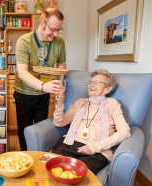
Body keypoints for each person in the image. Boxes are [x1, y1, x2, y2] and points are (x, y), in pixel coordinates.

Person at [52, 69, 131, 174]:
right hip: (69, 145)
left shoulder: (112, 104)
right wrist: (59, 103)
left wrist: (94, 147)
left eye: (97, 82)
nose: (91, 85)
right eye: (90, 82)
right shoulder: (80, 102)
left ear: (108, 89)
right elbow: (59, 122)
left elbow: (125, 132)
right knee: (53, 169)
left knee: (76, 175)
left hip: (97, 152)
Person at [14, 8, 66, 151]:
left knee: (40, 129)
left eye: (59, 30)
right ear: (42, 23)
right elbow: (22, 72)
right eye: (53, 29)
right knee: (24, 129)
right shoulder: (24, 41)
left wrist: (57, 80)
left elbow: (62, 66)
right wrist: (44, 86)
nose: (55, 34)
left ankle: (38, 158)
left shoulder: (59, 41)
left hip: (44, 94)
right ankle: (26, 158)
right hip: (24, 93)